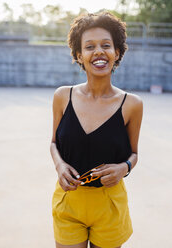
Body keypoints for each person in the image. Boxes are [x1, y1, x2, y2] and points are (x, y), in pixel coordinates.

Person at [50, 11, 143, 248]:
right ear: (79, 55)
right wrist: (60, 165)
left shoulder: (132, 104)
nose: (99, 51)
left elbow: (134, 154)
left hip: (109, 203)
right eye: (89, 46)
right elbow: (53, 143)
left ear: (117, 52)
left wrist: (124, 167)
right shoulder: (63, 96)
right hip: (70, 200)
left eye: (106, 45)